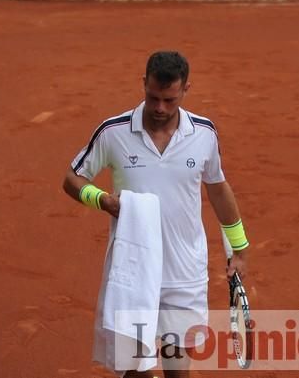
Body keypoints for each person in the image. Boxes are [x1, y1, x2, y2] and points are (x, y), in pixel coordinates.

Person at [63, 51, 250, 378]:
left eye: (169, 99)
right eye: (153, 97)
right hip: (132, 272)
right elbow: (73, 178)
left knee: (178, 370)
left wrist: (239, 249)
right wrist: (101, 200)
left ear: (185, 90)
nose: (160, 108)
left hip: (185, 273)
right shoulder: (113, 132)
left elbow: (218, 189)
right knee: (136, 372)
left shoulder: (204, 134)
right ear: (143, 84)